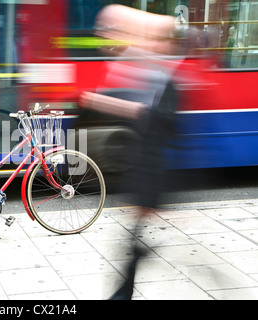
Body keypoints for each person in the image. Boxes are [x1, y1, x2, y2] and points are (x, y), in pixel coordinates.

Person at [79, 5, 180, 300]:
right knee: (134, 239)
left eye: (109, 29)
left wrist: (104, 103)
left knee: (135, 240)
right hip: (145, 169)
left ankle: (122, 293)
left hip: (155, 171)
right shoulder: (139, 64)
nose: (103, 37)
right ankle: (125, 289)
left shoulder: (163, 75)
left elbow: (159, 121)